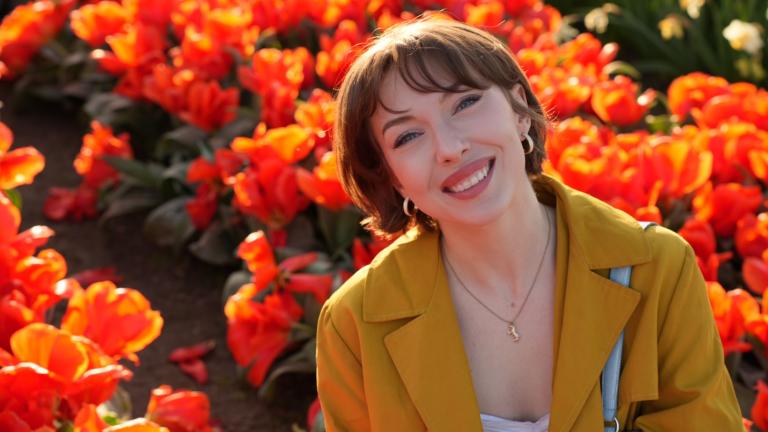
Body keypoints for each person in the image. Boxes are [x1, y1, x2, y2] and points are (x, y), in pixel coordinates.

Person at [316, 16, 743, 432]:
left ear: (519, 110)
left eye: (465, 103)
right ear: (390, 175)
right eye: (407, 136)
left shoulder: (656, 268)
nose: (449, 148)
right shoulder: (356, 322)